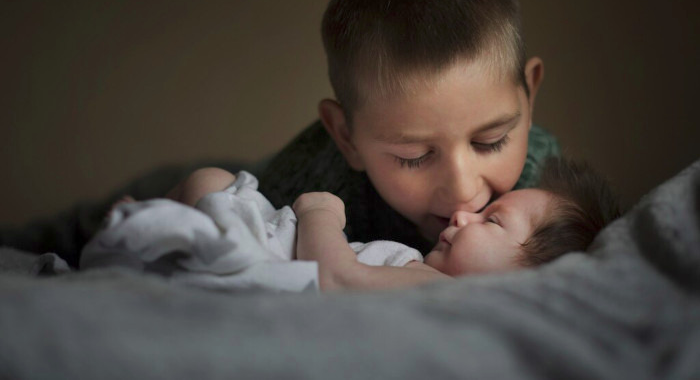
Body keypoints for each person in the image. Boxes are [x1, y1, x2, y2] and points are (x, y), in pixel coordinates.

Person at [256, 0, 560, 256]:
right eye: (413, 156)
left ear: (528, 97)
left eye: (491, 141)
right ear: (347, 137)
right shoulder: (302, 192)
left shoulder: (543, 185)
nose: (463, 188)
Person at [144, 156, 618, 291]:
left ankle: (137, 227)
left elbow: (334, 278)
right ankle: (139, 225)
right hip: (268, 244)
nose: (462, 212)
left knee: (209, 182)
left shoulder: (439, 293)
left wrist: (319, 215)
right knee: (210, 182)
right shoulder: (426, 275)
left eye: (492, 220)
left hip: (264, 258)